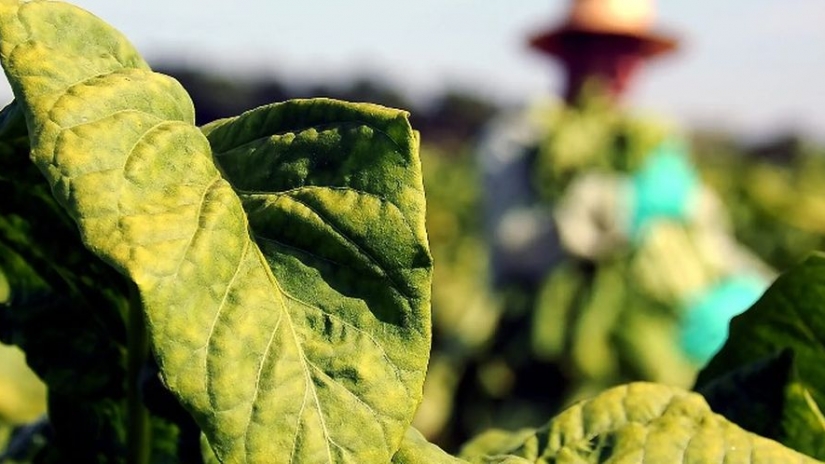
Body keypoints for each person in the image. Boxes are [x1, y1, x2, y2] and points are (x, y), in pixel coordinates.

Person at [446, 0, 774, 447]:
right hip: (540, 367)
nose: (617, 65)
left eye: (629, 52)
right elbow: (513, 244)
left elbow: (709, 236)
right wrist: (617, 211)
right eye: (600, 48)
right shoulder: (522, 138)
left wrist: (754, 292)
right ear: (568, 53)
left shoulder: (658, 141)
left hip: (664, 348)